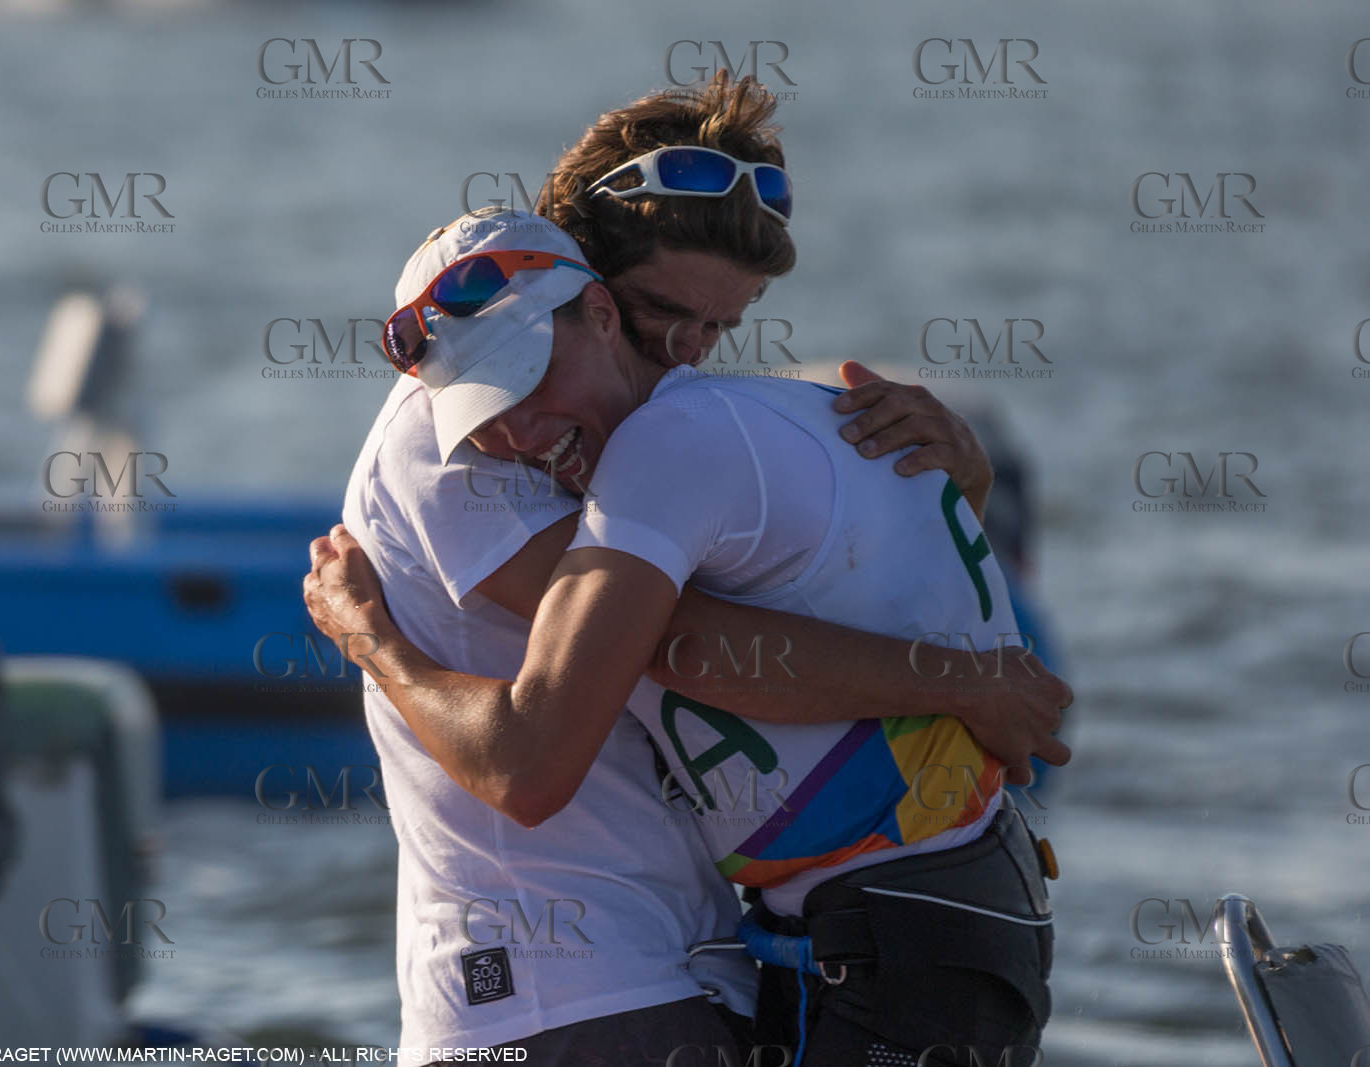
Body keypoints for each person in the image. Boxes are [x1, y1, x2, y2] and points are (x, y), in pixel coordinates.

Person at [323, 76, 1069, 1064]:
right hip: (551, 984)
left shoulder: (644, 419)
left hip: (697, 956)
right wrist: (966, 684)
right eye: (658, 313)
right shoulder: (457, 436)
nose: (682, 354)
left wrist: (947, 482)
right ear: (582, 285)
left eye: (717, 328)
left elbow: (800, 582)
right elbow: (688, 646)